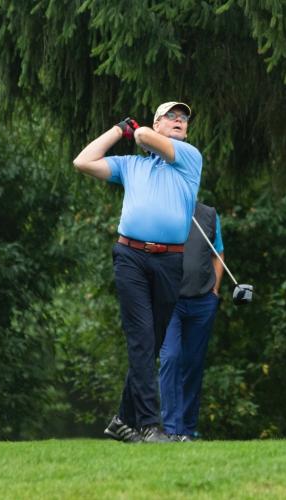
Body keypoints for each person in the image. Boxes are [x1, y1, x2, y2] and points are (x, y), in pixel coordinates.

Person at [73, 101, 202, 443]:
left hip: (170, 261)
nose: (179, 121)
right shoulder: (132, 165)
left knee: (151, 344)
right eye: (171, 116)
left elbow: (143, 135)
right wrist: (118, 130)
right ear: (158, 123)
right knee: (142, 339)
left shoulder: (189, 157)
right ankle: (149, 426)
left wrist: (138, 130)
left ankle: (121, 420)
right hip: (130, 256)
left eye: (183, 118)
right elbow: (82, 161)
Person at [159, 202, 224, 442]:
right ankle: (171, 429)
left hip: (202, 301)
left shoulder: (208, 215)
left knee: (193, 365)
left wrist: (215, 290)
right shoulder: (161, 210)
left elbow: (218, 253)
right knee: (171, 357)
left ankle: (186, 429)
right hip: (170, 301)